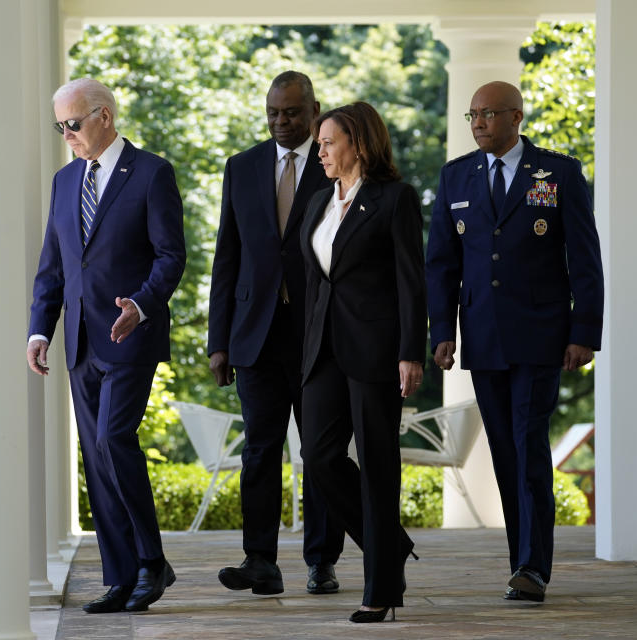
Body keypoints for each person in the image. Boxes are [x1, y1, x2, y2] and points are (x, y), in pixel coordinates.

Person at [426, 81, 603, 603]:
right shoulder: (455, 175)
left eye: (487, 114)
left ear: (515, 117)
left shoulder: (558, 173)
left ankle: (532, 568)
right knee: (504, 450)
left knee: (528, 445)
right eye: (472, 115)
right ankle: (520, 562)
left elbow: (584, 260)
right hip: (483, 339)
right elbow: (441, 264)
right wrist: (442, 332)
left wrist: (584, 332)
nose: (478, 123)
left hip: (541, 336)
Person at [27, 78, 186, 614]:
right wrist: (38, 330)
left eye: (73, 123)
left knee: (114, 439)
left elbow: (171, 256)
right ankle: (121, 578)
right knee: (96, 457)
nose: (66, 134)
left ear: (105, 117)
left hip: (129, 333)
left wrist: (141, 305)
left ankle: (152, 560)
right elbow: (54, 266)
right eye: (60, 125)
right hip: (79, 343)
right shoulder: (64, 181)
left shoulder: (151, 174)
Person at [208, 71, 345, 596]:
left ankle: (321, 561)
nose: (281, 122)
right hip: (254, 336)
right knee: (260, 452)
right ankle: (260, 560)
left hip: (319, 336)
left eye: (290, 112)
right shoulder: (241, 167)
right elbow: (228, 257)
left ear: (314, 110)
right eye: (272, 113)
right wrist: (219, 340)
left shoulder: (335, 162)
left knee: (321, 452)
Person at [299, 102, 426, 623]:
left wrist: (410, 351)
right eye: (320, 143)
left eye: (328, 142)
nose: (320, 151)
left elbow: (410, 282)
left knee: (377, 464)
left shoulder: (394, 200)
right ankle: (390, 543)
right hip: (322, 350)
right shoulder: (316, 204)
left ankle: (380, 588)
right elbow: (314, 283)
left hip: (376, 350)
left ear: (358, 142)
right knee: (320, 456)